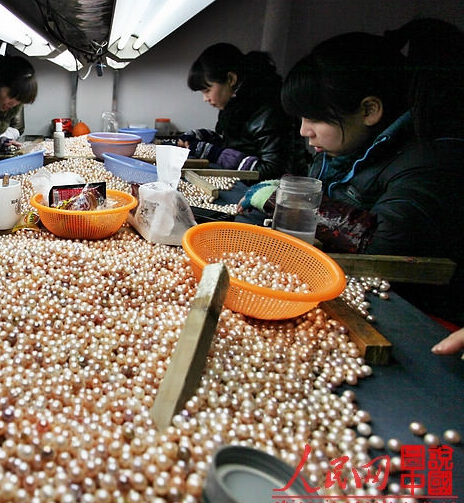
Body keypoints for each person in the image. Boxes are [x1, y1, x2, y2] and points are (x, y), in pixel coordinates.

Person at [277, 19, 464, 321]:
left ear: (368, 111)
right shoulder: (341, 150)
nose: (304, 131)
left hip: (416, 317)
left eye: (314, 118)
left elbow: (384, 245)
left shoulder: (429, 159)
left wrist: (290, 203)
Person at [179, 43, 309, 180]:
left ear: (231, 79)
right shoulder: (236, 105)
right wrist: (203, 137)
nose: (205, 99)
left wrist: (213, 153)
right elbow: (238, 145)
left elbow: (273, 172)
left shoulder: (268, 108)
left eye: (207, 90)